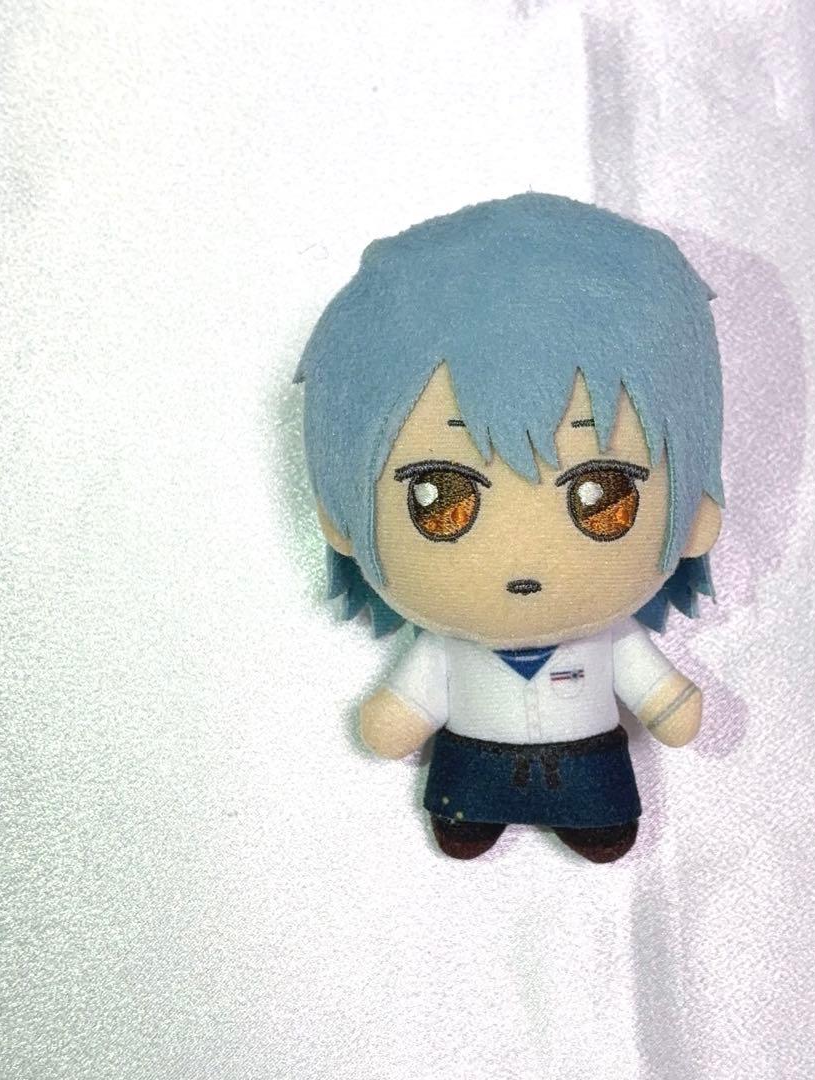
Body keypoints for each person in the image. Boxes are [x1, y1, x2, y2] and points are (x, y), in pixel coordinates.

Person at [296, 192, 724, 862]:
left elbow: (657, 695)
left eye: (602, 496)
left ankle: (592, 817)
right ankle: (479, 817)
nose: (523, 561)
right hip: (470, 769)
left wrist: (670, 705)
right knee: (465, 818)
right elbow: (403, 711)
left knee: (601, 821)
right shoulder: (447, 650)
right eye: (441, 497)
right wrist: (395, 721)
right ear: (341, 520)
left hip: (592, 768)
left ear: (696, 516)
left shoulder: (610, 639)